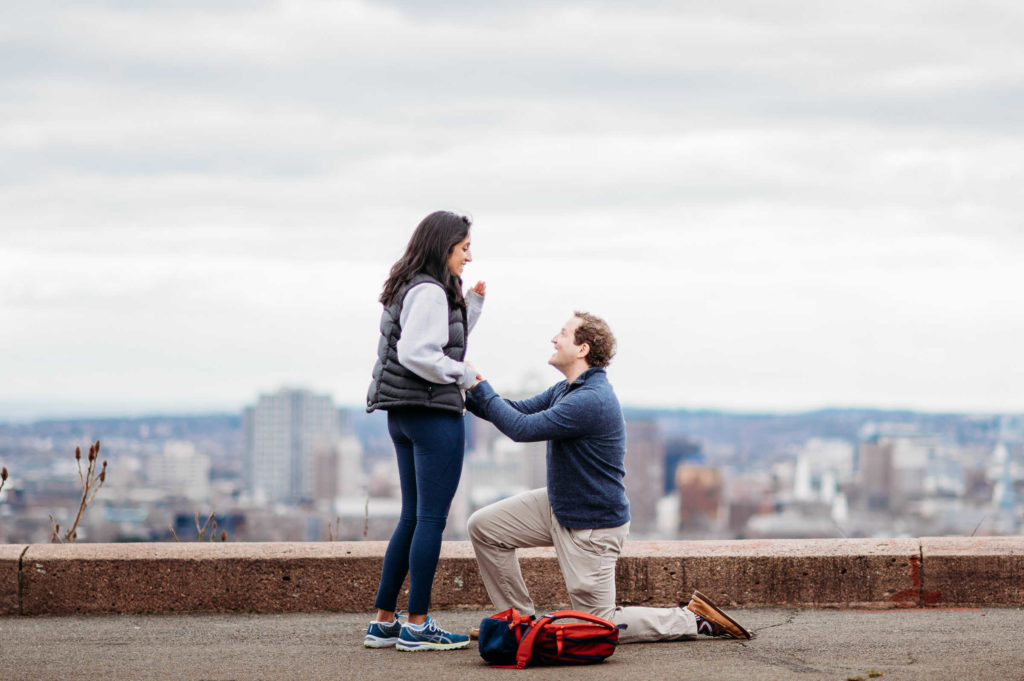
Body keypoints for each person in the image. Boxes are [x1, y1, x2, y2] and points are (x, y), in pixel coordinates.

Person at [464, 312, 751, 643]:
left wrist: (479, 387)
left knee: (599, 625)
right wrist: (466, 392)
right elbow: (515, 410)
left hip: (591, 526)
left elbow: (521, 428)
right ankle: (519, 624)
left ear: (583, 348)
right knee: (485, 528)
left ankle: (690, 619)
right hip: (561, 504)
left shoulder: (590, 400)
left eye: (562, 333)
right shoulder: (567, 389)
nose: (554, 339)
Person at [363, 210, 485, 652]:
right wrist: (464, 374)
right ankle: (417, 624)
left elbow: (436, 339)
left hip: (404, 413)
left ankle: (384, 621)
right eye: (464, 247)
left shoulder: (411, 286)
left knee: (411, 517)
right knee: (431, 519)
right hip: (433, 415)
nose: (469, 256)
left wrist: (470, 307)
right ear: (444, 246)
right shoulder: (431, 292)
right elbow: (420, 352)